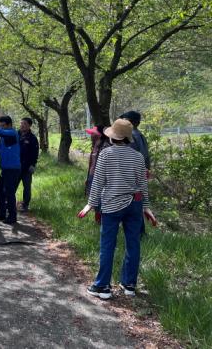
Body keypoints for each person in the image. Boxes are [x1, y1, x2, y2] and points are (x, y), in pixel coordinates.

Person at [82, 118, 151, 300]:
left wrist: (91, 203)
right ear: (128, 138)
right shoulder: (138, 157)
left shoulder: (106, 154)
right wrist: (146, 207)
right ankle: (129, 285)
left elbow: (98, 182)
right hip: (134, 205)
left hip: (112, 205)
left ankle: (103, 286)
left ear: (112, 137)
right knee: (133, 244)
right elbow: (143, 184)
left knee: (108, 245)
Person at [0, 115, 21, 225]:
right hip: (5, 168)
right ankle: (1, 213)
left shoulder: (12, 133)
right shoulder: (3, 137)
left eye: (3, 126)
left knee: (9, 193)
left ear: (9, 125)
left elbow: (0, 132)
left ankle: (12, 217)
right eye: (0, 125)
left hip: (13, 169)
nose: (1, 128)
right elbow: (1, 150)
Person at [18, 117, 39, 213]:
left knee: (27, 187)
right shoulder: (15, 135)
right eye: (21, 123)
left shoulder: (32, 138)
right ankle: (8, 204)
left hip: (26, 168)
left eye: (25, 124)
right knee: (12, 186)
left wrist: (33, 165)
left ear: (29, 125)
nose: (22, 125)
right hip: (15, 167)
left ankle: (25, 205)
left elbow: (35, 153)